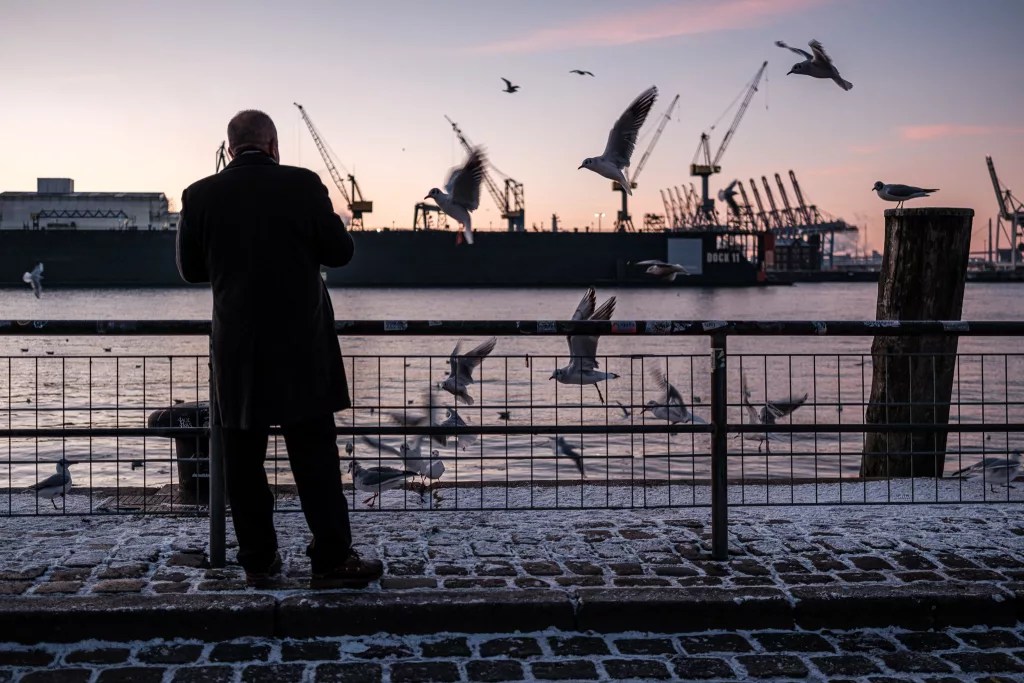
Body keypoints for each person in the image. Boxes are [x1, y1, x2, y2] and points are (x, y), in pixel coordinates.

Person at [176, 109, 382, 588]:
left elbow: (190, 269)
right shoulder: (304, 184)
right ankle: (331, 560)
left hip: (238, 350)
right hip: (301, 348)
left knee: (243, 461)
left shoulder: (200, 194)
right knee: (315, 460)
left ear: (230, 149)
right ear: (273, 145)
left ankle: (259, 562)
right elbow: (341, 253)